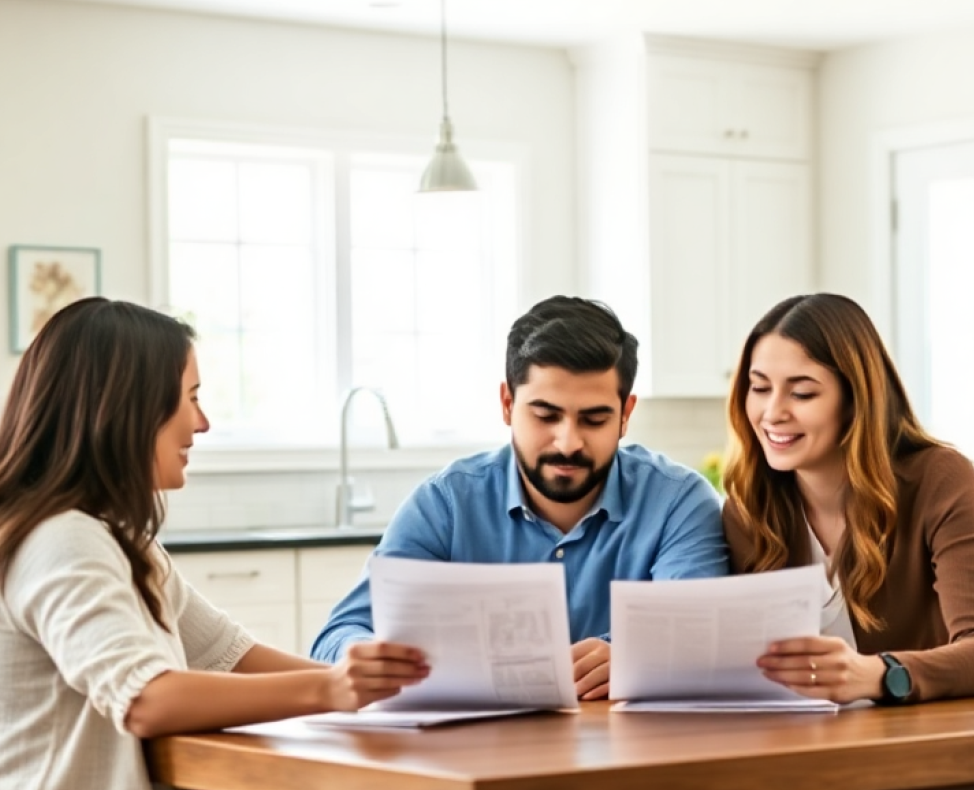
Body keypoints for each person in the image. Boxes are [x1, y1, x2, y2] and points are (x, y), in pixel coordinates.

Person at [0, 298, 428, 790]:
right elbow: (146, 700)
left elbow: (232, 654)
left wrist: (385, 692)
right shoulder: (62, 538)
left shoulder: (120, 543)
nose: (203, 422)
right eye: (191, 397)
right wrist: (332, 687)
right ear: (129, 407)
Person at [311, 295, 729, 700]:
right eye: (545, 416)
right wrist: (368, 658)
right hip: (474, 754)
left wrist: (636, 656)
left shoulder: (680, 501)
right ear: (508, 404)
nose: (568, 442)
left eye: (594, 418)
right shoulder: (447, 503)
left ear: (625, 414)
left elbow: (697, 629)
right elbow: (340, 634)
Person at [721, 293, 974, 705]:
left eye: (802, 394)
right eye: (759, 388)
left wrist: (878, 674)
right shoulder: (750, 503)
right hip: (793, 746)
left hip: (917, 745)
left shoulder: (939, 478)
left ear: (855, 399)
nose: (772, 413)